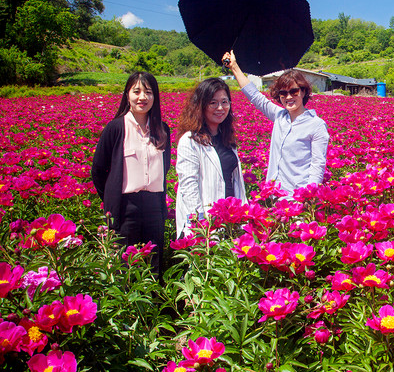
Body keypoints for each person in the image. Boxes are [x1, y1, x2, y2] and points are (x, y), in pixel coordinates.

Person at [91, 72, 171, 276]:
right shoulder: (116, 128)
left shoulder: (162, 130)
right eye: (136, 91)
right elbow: (98, 170)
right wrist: (111, 198)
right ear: (127, 95)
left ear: (155, 97)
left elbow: (165, 166)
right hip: (125, 207)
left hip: (154, 206)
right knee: (125, 265)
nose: (142, 97)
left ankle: (153, 296)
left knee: (152, 264)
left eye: (148, 92)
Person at [222, 51, 329, 196]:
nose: (288, 97)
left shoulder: (316, 125)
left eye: (294, 91)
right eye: (283, 93)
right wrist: (234, 67)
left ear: (303, 92)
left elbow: (318, 166)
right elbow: (255, 96)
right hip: (275, 194)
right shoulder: (280, 116)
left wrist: (309, 197)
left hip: (298, 197)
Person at [175, 77, 247, 237]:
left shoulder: (227, 138)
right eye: (213, 103)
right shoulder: (190, 140)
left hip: (231, 222)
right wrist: (200, 225)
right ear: (201, 105)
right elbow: (189, 186)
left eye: (224, 102)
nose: (220, 108)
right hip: (206, 226)